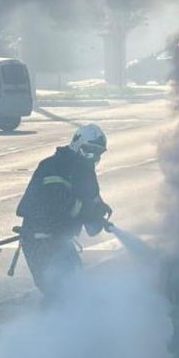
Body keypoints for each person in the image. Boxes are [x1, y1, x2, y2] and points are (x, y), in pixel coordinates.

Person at [16, 124, 112, 303]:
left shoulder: (85, 171)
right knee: (58, 292)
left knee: (76, 288)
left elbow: (92, 205)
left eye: (97, 154)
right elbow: (58, 205)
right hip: (40, 241)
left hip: (60, 241)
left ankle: (69, 327)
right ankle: (45, 329)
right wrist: (87, 211)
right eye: (89, 151)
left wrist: (100, 212)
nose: (92, 157)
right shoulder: (53, 166)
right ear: (76, 144)